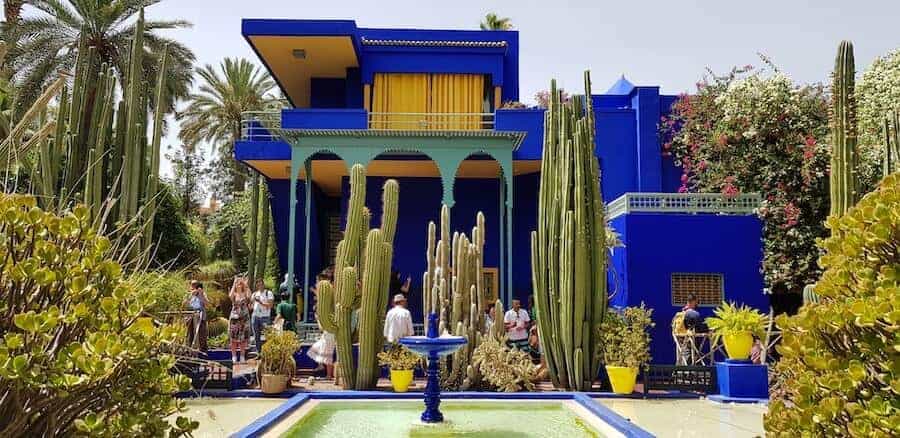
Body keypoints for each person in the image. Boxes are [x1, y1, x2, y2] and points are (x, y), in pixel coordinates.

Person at [307, 278, 336, 380]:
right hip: (326, 332)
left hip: (329, 333)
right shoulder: (327, 306)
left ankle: (329, 375)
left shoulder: (330, 304)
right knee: (317, 349)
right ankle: (321, 366)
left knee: (327, 354)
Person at [228, 277, 252, 363]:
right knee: (233, 338)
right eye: (237, 283)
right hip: (234, 319)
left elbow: (250, 295)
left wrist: (245, 284)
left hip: (244, 318)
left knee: (243, 339)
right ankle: (234, 356)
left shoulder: (245, 293)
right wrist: (234, 283)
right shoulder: (234, 294)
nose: (238, 284)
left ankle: (242, 356)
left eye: (239, 283)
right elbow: (230, 296)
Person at [183, 280, 208, 352]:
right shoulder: (188, 294)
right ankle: (189, 350)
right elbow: (184, 304)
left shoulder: (202, 294)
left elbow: (207, 304)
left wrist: (201, 295)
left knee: (202, 335)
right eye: (193, 284)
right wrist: (191, 295)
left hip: (200, 317)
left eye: (196, 285)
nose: (194, 286)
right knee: (190, 335)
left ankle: (203, 351)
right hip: (190, 317)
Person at [251, 280, 275, 350]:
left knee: (267, 335)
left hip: (265, 317)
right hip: (255, 316)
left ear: (263, 285)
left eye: (261, 285)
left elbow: (270, 305)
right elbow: (251, 305)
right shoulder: (255, 294)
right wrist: (251, 305)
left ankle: (268, 352)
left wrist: (260, 302)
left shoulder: (268, 293)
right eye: (258, 285)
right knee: (256, 336)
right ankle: (259, 353)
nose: (260, 286)